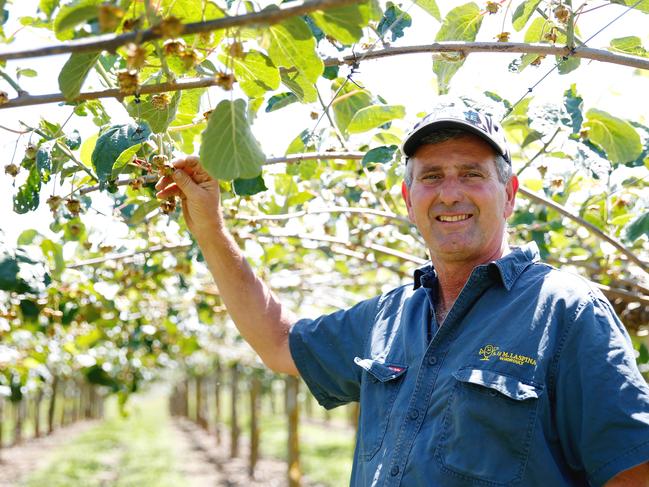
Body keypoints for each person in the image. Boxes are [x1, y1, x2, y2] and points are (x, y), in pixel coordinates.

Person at [156, 98, 649, 486]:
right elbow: (279, 343)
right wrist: (209, 226)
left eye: (472, 174)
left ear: (511, 194)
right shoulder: (390, 316)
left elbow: (632, 470)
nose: (449, 192)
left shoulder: (565, 310)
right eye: (431, 176)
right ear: (409, 200)